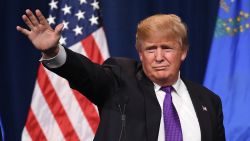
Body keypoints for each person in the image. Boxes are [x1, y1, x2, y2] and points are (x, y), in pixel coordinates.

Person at [17, 9, 225, 141]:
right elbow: (85, 73)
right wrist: (54, 52)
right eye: (151, 49)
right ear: (140, 53)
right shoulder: (120, 80)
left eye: (167, 48)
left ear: (184, 52)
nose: (159, 57)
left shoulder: (208, 101)